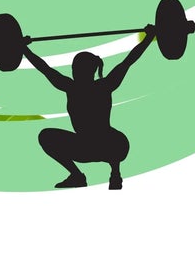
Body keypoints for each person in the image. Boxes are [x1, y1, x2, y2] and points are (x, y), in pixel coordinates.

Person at [24, 27, 155, 190]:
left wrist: (24, 48)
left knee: (47, 136)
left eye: (74, 68)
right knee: (47, 136)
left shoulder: (71, 87)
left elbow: (44, 69)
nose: (72, 71)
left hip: (93, 147)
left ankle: (108, 174)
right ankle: (89, 175)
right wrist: (149, 37)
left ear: (79, 70)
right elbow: (128, 61)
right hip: (96, 147)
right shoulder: (105, 85)